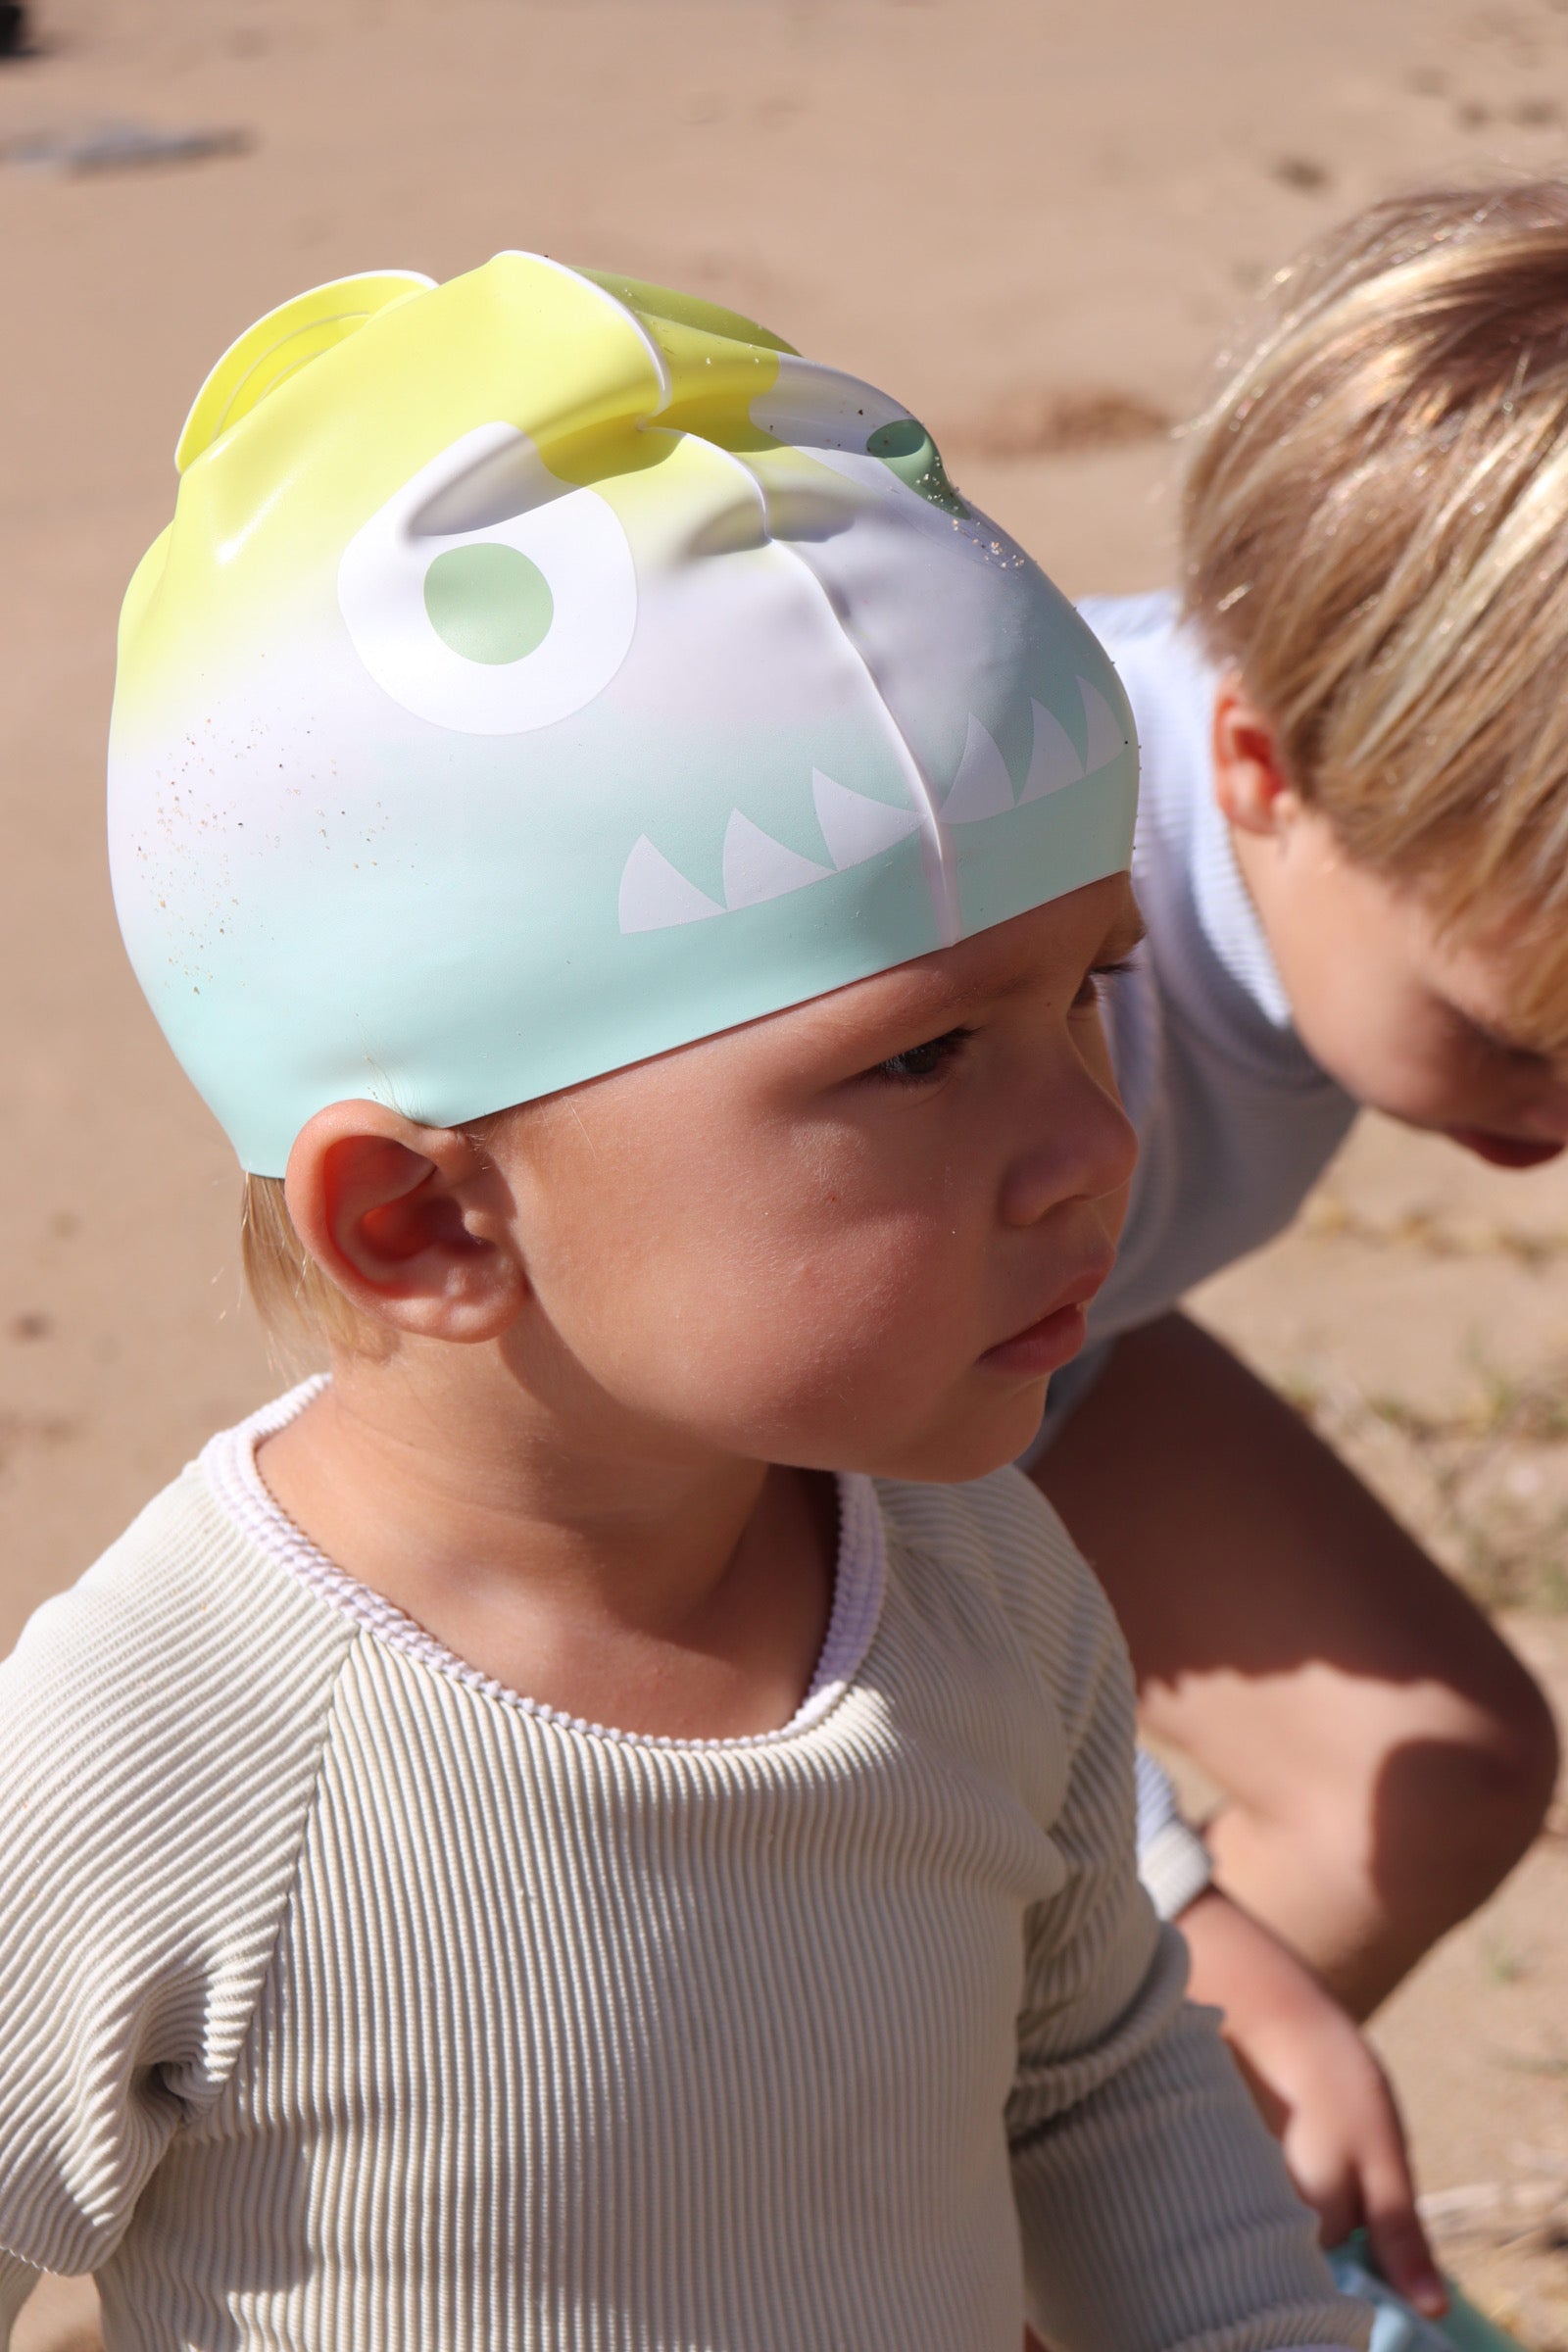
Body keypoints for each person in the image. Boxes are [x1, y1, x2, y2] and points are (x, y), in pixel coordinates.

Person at [0, 255, 1366, 2352]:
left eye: (1085, 989)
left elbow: (1091, 2076)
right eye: (916, 1058)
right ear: (428, 1224)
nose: (1095, 1139)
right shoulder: (167, 1744)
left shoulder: (980, 1590)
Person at [1025, 181, 1568, 2318]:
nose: (1549, 1134)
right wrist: (1177, 1930)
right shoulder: (1030, 983)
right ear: (1253, 766)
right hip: (739, 1464)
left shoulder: (1431, 790)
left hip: (1032, 1340)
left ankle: (1071, 2243)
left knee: (1424, 1778)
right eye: (1512, 1044)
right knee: (834, 1958)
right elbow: (806, 1517)